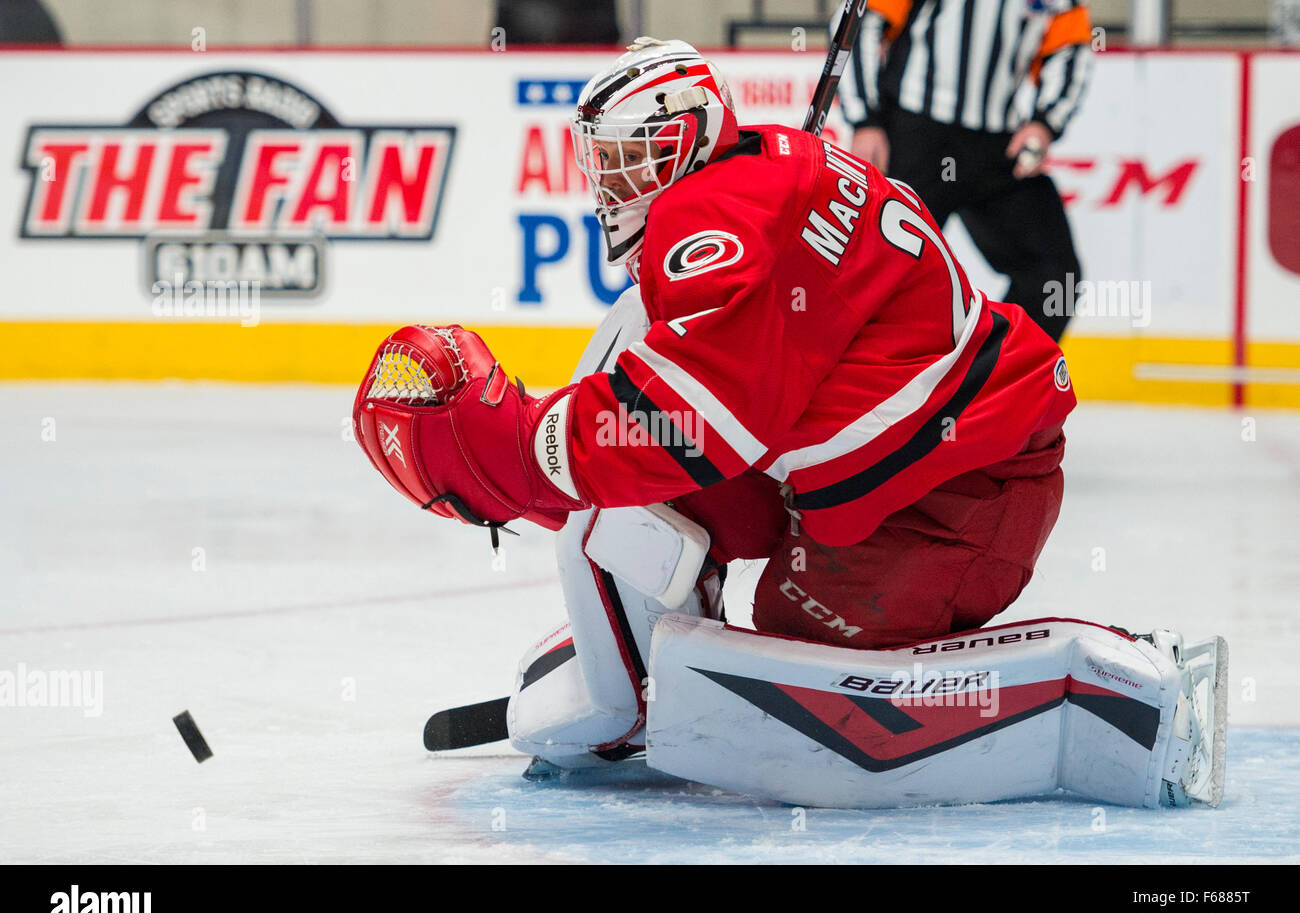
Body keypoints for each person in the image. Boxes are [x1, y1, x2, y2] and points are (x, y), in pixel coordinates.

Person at [351, 39, 1223, 810]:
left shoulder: (717, 217)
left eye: (633, 160)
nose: (613, 184)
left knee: (768, 699)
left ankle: (1108, 689)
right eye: (605, 162)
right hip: (928, 470)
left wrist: (518, 453)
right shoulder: (766, 163)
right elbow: (714, 401)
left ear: (688, 140)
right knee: (654, 512)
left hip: (955, 502)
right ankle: (652, 658)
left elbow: (685, 426)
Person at [837, 0, 1093, 341]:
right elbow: (861, 22)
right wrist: (865, 118)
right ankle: (863, 386)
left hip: (999, 147)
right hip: (915, 138)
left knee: (1054, 276)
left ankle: (994, 382)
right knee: (878, 277)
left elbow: (1070, 49)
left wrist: (1045, 123)